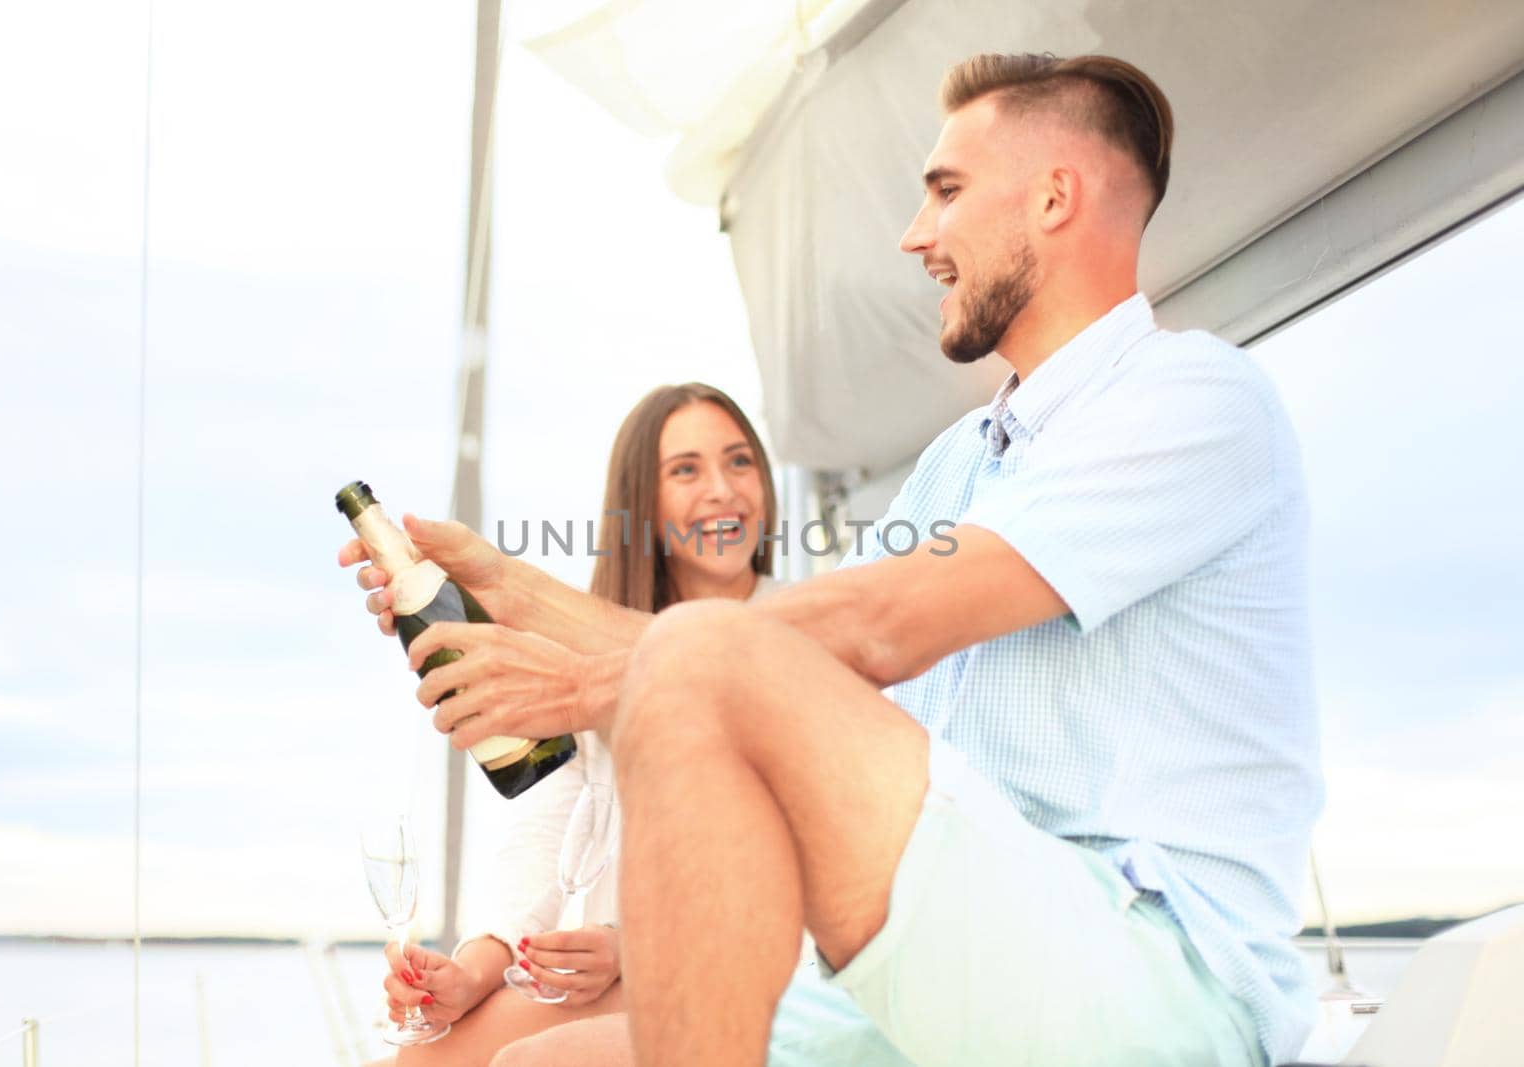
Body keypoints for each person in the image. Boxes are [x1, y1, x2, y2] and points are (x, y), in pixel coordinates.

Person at [346, 52, 1323, 1067]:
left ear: (1052, 196)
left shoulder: (1190, 398)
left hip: (1149, 969)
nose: (915, 235)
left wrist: (581, 681)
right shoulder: (958, 465)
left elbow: (867, 628)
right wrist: (517, 592)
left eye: (944, 191)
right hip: (938, 951)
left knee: (711, 664)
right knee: (528, 1063)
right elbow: (775, 670)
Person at [354, 383, 783, 1065]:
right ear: (641, 501)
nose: (722, 490)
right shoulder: (582, 652)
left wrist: (631, 945)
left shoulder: (800, 632)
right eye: (686, 469)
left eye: (739, 462)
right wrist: (474, 966)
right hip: (623, 971)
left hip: (748, 973)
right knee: (419, 1058)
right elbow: (546, 825)